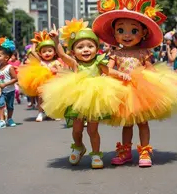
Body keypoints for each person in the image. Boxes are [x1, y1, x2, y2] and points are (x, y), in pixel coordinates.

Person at [92, 0, 177, 168]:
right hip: (122, 90)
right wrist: (116, 74)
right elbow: (108, 70)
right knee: (126, 123)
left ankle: (144, 151)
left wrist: (160, 81)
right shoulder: (114, 53)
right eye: (121, 30)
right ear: (114, 33)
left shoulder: (144, 52)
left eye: (133, 31)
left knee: (143, 122)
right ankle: (125, 151)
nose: (127, 35)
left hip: (142, 90)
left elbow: (150, 68)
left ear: (143, 33)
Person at [42, 19, 129, 169]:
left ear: (97, 48)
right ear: (73, 51)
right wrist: (56, 40)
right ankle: (78, 146)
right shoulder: (75, 64)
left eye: (90, 46)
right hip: (78, 97)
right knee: (77, 128)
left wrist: (121, 75)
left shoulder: (98, 62)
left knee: (92, 130)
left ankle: (96, 154)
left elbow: (109, 71)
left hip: (94, 97)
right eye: (80, 47)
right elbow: (61, 55)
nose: (86, 50)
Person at [18, 31, 64, 122]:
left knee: (52, 99)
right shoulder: (40, 61)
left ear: (55, 52)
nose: (47, 53)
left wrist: (56, 70)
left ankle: (52, 113)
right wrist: (35, 43)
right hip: (42, 84)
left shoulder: (56, 62)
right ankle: (40, 112)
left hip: (53, 84)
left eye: (50, 51)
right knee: (41, 98)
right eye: (44, 51)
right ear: (40, 53)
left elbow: (61, 71)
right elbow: (32, 51)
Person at [0, 38, 18, 129]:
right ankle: (1, 121)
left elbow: (15, 79)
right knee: (0, 104)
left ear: (6, 58)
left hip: (10, 91)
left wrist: (5, 84)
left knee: (10, 106)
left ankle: (10, 119)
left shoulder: (10, 68)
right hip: (1, 91)